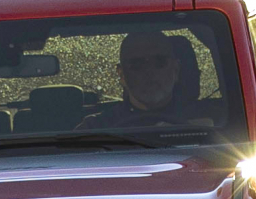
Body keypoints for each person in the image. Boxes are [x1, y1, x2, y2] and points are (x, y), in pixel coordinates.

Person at [82, 28, 221, 129]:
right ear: (122, 75)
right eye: (137, 64)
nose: (149, 72)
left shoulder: (215, 123)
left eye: (160, 62)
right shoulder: (96, 129)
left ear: (176, 69)